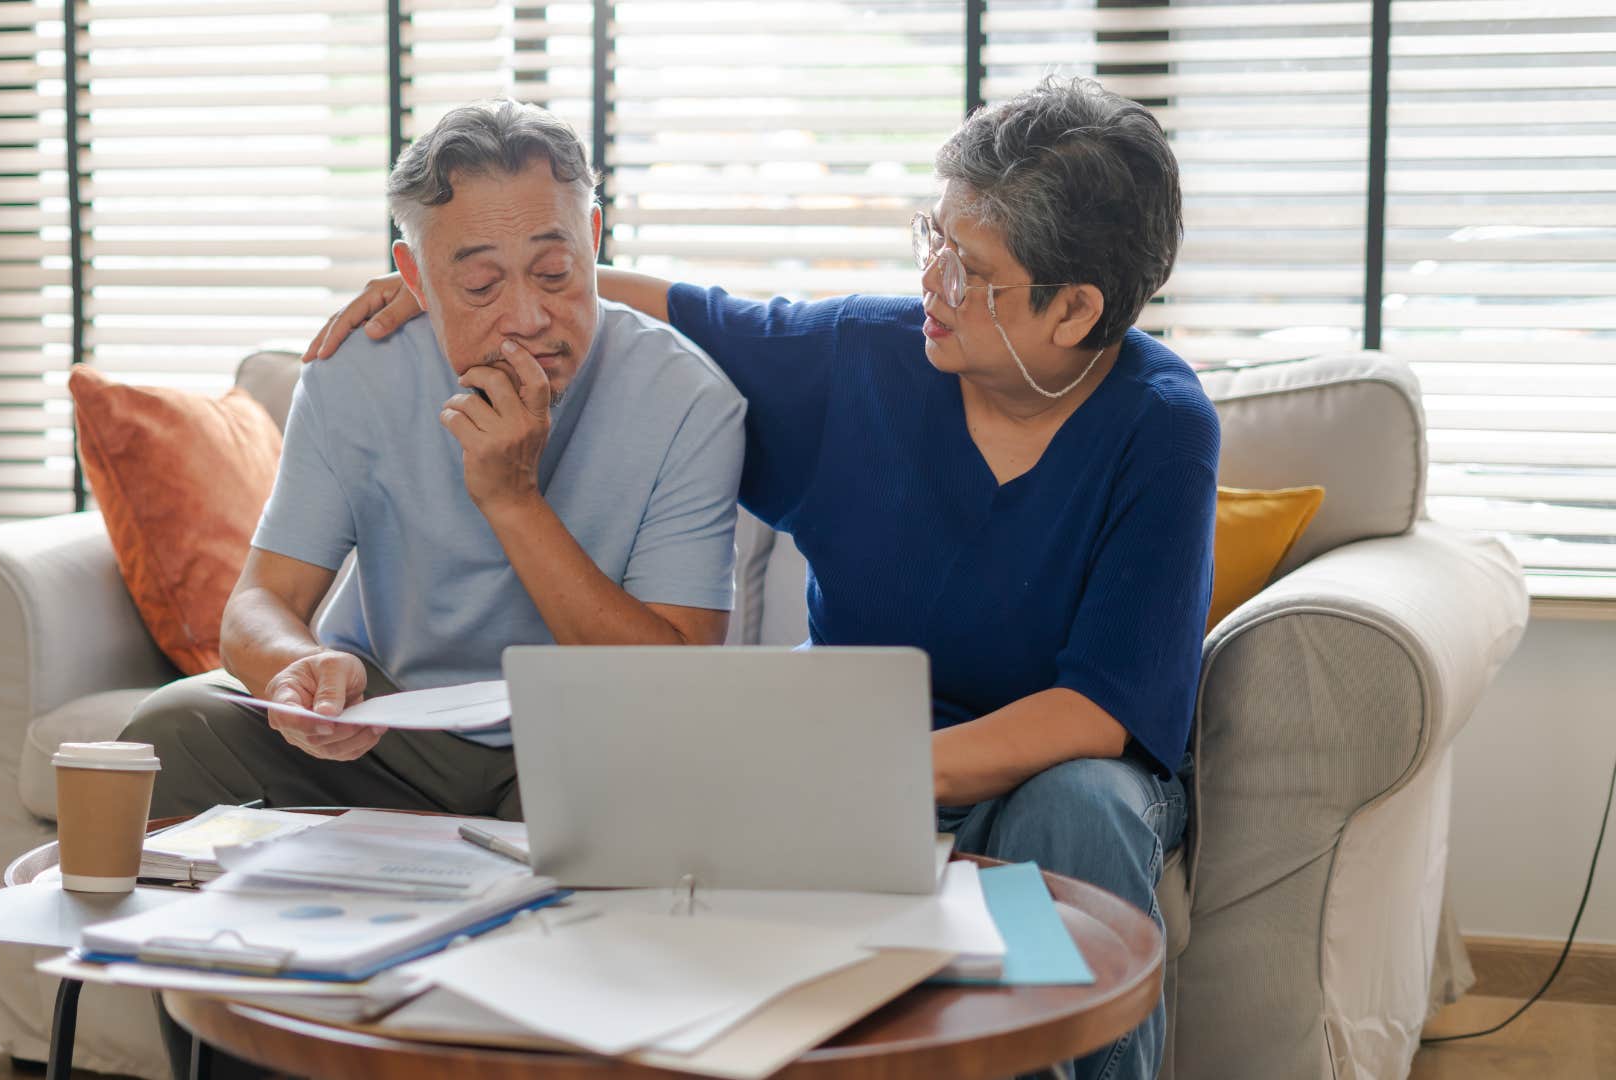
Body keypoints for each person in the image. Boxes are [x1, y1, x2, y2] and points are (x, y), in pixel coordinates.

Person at [308, 77, 1216, 1080]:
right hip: (857, 755)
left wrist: (882, 776)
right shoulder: (862, 358)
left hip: (1029, 774)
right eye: (934, 241)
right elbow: (666, 310)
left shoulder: (1161, 425)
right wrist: (465, 290)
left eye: (971, 271)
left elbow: (1097, 713)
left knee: (1080, 804)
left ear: (1075, 310)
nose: (932, 285)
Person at [119, 99, 745, 826]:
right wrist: (300, 669)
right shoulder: (354, 372)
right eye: (480, 286)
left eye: (553, 271)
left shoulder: (689, 400)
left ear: (594, 237)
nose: (528, 317)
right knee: (172, 731)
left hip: (579, 734)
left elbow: (674, 683)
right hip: (383, 722)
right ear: (414, 277)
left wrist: (513, 499)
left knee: (655, 793)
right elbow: (260, 604)